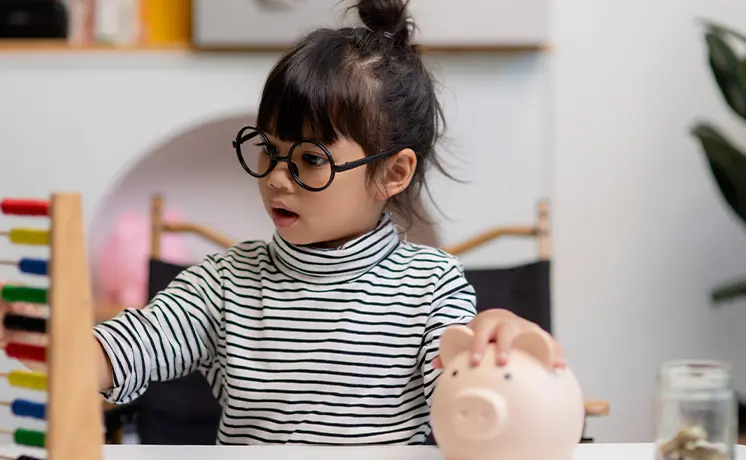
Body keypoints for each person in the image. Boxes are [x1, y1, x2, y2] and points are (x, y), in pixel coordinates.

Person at [0, 0, 565, 445]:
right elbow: (123, 351)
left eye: (310, 160)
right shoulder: (223, 282)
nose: (275, 178)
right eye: (268, 151)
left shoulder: (431, 286)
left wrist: (499, 347)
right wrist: (49, 342)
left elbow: (469, 402)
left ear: (393, 174)